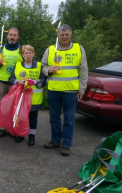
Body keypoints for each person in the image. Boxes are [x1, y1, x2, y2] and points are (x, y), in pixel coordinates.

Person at [41, 24, 88, 156]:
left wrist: (82, 89)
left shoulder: (79, 49)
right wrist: (48, 70)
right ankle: (56, 140)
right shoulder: (50, 50)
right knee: (54, 118)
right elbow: (43, 66)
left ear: (71, 35)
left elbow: (83, 70)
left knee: (69, 119)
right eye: (62, 35)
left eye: (67, 34)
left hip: (71, 91)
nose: (64, 37)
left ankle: (66, 144)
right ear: (58, 36)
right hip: (54, 90)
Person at [9, 45, 47, 145]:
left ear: (33, 54)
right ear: (22, 55)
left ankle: (31, 136)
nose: (28, 55)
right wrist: (18, 82)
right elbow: (11, 79)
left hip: (34, 98)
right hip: (20, 97)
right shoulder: (17, 65)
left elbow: (44, 81)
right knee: (21, 117)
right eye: (26, 53)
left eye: (30, 53)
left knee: (33, 118)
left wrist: (34, 82)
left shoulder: (39, 65)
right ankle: (21, 134)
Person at [0, 27, 23, 138]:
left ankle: (11, 128)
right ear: (7, 36)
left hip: (15, 83)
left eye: (15, 35)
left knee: (14, 106)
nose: (12, 37)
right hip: (1, 81)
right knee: (1, 106)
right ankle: (2, 128)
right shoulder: (0, 48)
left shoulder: (21, 49)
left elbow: (26, 64)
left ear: (18, 37)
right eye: (10, 35)